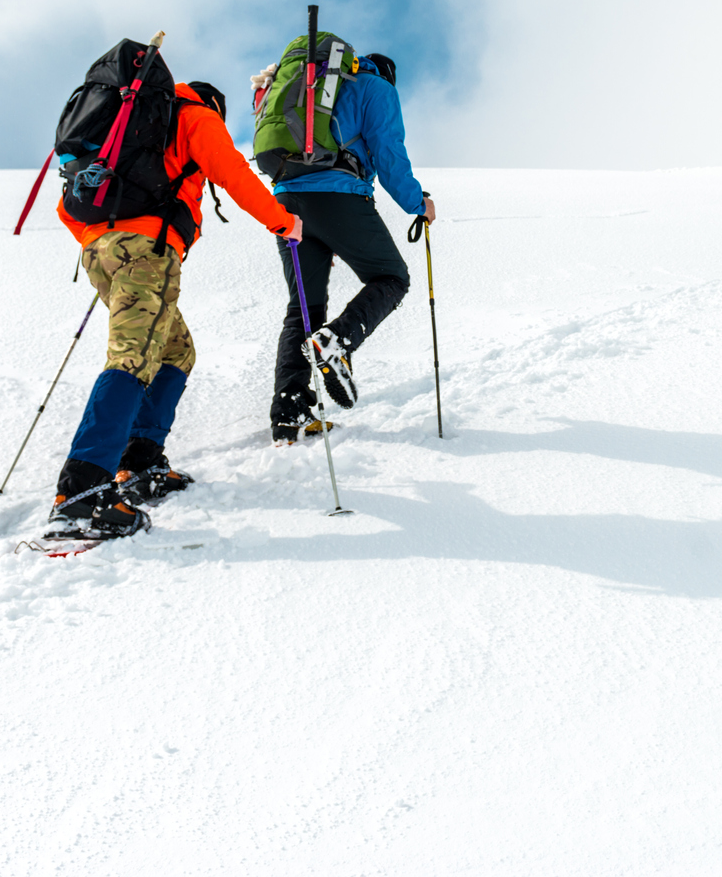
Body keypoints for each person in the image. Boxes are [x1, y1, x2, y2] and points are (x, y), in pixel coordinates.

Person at [49, 78, 301, 537]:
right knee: (132, 356)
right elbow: (233, 174)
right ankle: (82, 492)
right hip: (148, 251)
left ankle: (140, 462)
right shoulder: (194, 115)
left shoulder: (120, 127)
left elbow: (71, 205)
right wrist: (283, 222)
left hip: (98, 249)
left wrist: (105, 241)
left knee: (176, 352)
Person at [254, 51, 435, 441]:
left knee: (303, 307)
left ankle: (289, 415)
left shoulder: (312, 86)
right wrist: (417, 203)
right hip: (337, 194)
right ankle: (337, 342)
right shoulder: (376, 87)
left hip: (286, 199)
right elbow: (388, 153)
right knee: (391, 277)